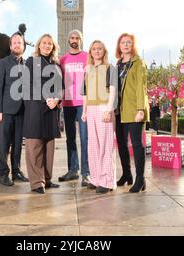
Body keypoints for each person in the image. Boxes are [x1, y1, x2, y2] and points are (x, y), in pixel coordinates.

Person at [23, 34, 62, 194]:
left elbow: (61, 86)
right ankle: (37, 182)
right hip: (36, 108)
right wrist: (48, 98)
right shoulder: (32, 62)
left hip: (52, 110)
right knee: (35, 146)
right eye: (44, 43)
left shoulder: (56, 64)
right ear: (39, 45)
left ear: (53, 47)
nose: (47, 46)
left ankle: (47, 178)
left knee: (49, 146)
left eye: (50, 44)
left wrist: (57, 100)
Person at [115, 33, 150, 193]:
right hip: (119, 110)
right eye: (123, 42)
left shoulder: (138, 63)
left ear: (133, 45)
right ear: (119, 45)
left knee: (136, 145)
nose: (126, 45)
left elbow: (141, 88)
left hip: (135, 109)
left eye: (129, 42)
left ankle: (140, 179)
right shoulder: (117, 64)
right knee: (121, 144)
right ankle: (127, 174)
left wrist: (140, 109)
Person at [81, 40, 117, 194]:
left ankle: (107, 181)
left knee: (105, 145)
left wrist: (109, 109)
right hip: (91, 108)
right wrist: (84, 111)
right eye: (94, 49)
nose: (96, 51)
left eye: (99, 48)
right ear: (90, 52)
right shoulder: (87, 69)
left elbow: (113, 89)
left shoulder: (110, 68)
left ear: (104, 51)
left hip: (104, 107)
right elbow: (85, 93)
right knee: (93, 145)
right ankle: (95, 178)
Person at [0, 32, 29, 186]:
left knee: (17, 144)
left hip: (22, 111)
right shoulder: (3, 63)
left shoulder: (27, 64)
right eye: (14, 42)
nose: (16, 45)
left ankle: (16, 171)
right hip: (6, 111)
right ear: (10, 46)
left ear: (23, 46)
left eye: (19, 42)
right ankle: (3, 174)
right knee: (4, 144)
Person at [58, 29, 90, 186]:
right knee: (70, 138)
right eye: (72, 37)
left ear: (81, 40)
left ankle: (86, 173)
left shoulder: (87, 57)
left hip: (83, 104)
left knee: (85, 138)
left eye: (77, 38)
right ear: (68, 40)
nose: (74, 40)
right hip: (68, 103)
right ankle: (73, 170)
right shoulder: (62, 59)